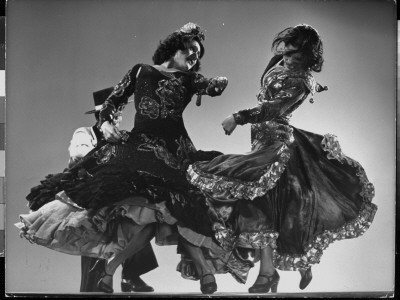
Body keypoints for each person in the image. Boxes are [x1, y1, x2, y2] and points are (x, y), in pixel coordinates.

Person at [18, 22, 228, 294]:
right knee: (150, 213)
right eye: (191, 49)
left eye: (199, 55)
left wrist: (219, 83)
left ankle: (123, 271)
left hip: (176, 151)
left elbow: (210, 86)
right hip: (141, 149)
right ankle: (119, 272)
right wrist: (105, 123)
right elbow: (112, 102)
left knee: (171, 210)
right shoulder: (142, 71)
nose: (195, 57)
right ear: (176, 46)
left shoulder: (190, 79)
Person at [186, 24, 377, 293]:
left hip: (277, 146)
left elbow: (273, 108)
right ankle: (277, 269)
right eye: (284, 50)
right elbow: (272, 74)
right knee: (276, 207)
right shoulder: (282, 63)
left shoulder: (301, 81)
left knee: (267, 204)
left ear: (306, 55)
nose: (286, 56)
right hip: (260, 144)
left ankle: (268, 273)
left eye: (293, 52)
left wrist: (238, 117)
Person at [69, 87, 157, 293]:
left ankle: (130, 275)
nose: (118, 117)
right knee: (95, 236)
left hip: (115, 193)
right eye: (113, 113)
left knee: (139, 215)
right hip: (87, 193)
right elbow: (80, 155)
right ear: (101, 116)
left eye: (120, 112)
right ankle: (93, 288)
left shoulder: (122, 137)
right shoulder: (84, 133)